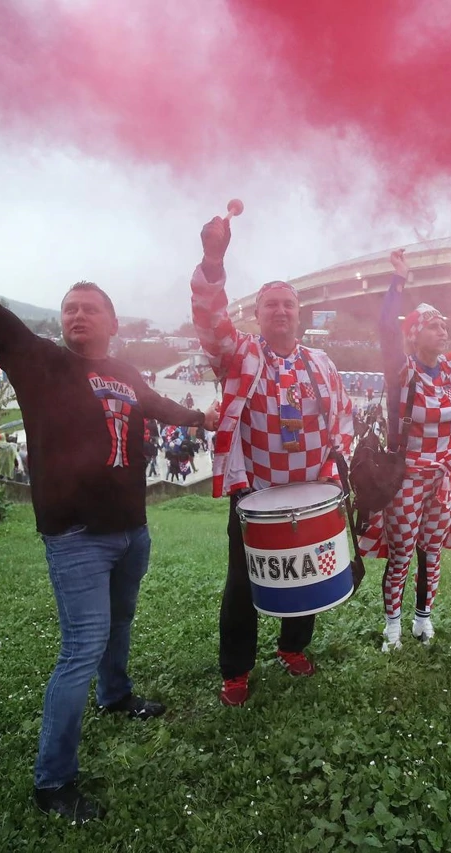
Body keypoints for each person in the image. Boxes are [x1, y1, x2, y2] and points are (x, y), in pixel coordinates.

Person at [0, 179, 218, 823]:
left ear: (112, 323)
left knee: (120, 624)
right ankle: (53, 784)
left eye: (89, 308)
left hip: (133, 530)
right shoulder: (38, 362)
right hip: (76, 536)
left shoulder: (124, 373)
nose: (76, 315)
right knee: (81, 647)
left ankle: (117, 696)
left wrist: (204, 419)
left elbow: (158, 405)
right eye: (69, 307)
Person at [190, 213, 354, 707]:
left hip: (309, 496)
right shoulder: (238, 355)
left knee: (305, 574)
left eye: (287, 304)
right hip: (255, 493)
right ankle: (236, 670)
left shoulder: (321, 364)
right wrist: (213, 261)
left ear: (299, 313)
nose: (280, 311)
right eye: (270, 305)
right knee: (242, 584)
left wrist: (336, 468)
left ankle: (292, 646)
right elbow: (208, 318)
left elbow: (344, 418)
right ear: (257, 314)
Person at [359, 250, 451, 650]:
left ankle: (423, 620)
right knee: (402, 553)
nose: (443, 331)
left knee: (431, 550)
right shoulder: (402, 369)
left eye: (444, 325)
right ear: (414, 334)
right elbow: (384, 329)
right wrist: (399, 281)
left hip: (444, 475)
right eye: (433, 326)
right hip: (407, 476)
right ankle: (393, 624)